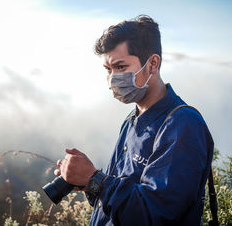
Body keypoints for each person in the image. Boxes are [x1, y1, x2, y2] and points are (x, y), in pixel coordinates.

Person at [54, 15, 214, 225]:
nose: (112, 78)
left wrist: (94, 179)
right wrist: (87, 182)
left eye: (121, 67)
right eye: (108, 70)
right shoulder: (133, 119)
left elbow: (154, 215)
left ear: (153, 64)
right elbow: (118, 203)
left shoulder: (182, 126)